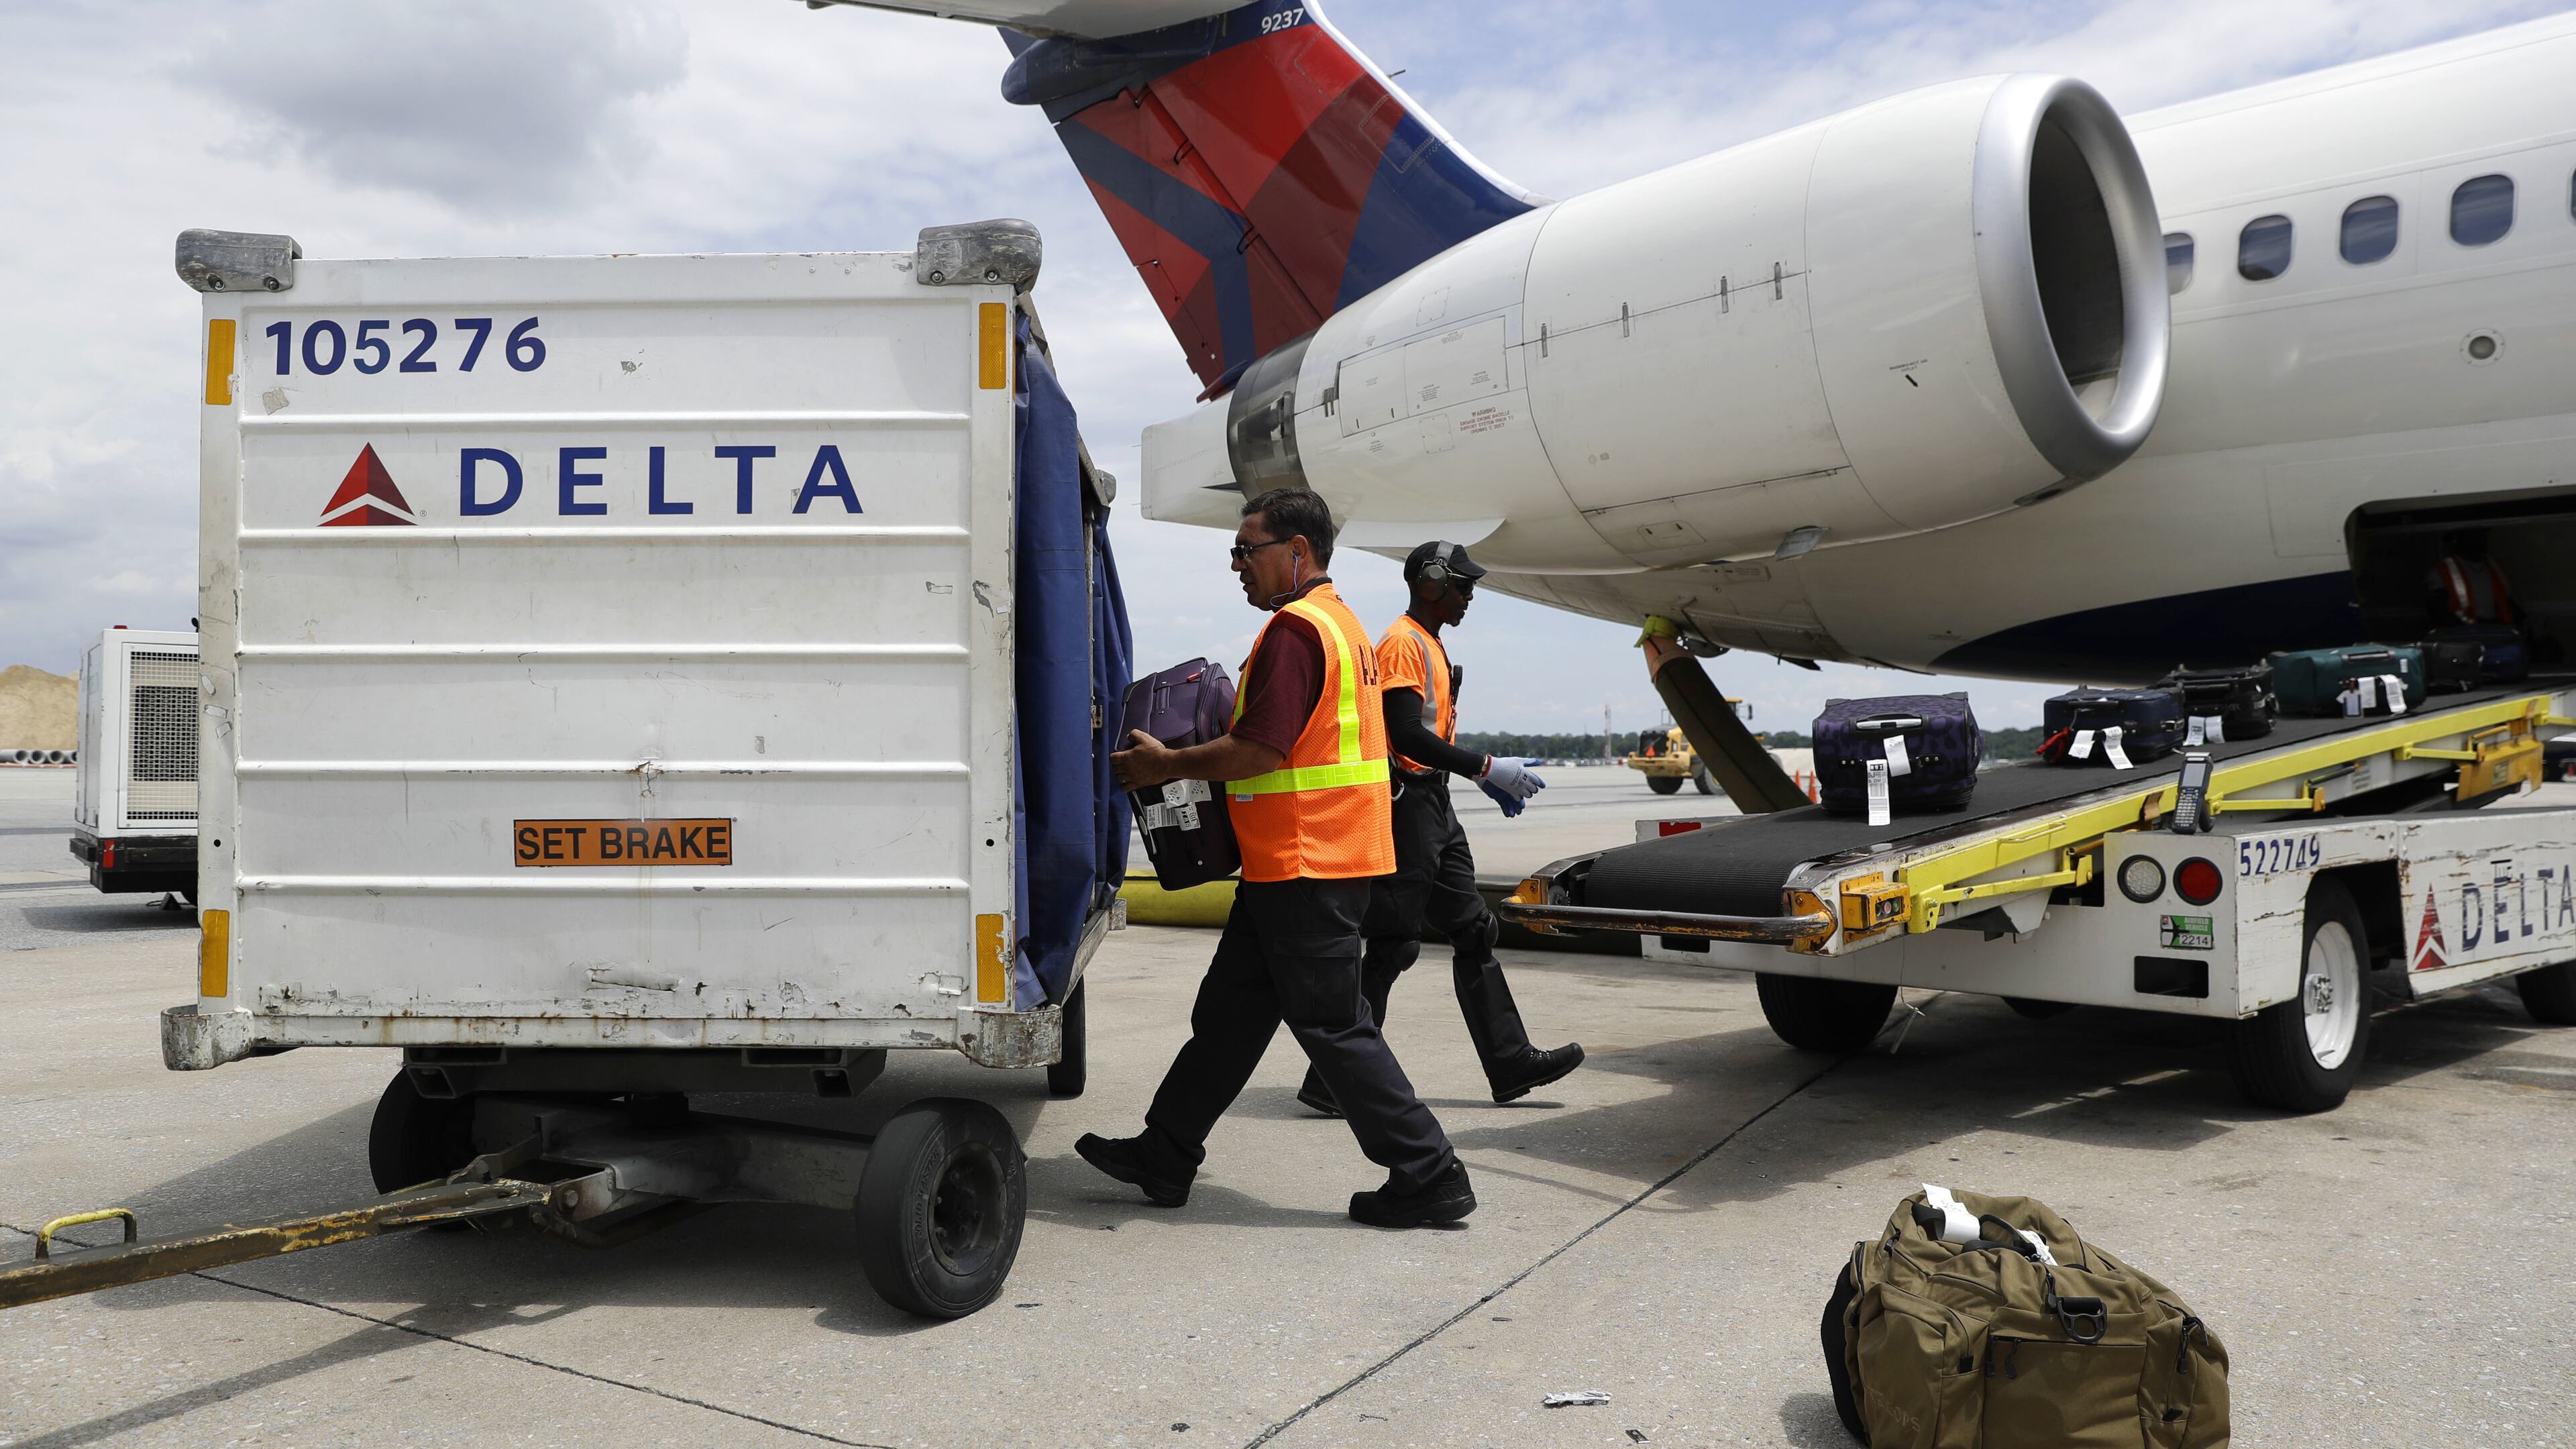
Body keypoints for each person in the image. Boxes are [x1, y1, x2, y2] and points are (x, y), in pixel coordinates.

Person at [1081, 488, 1474, 1229]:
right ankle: (1165, 1154)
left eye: (1247, 550)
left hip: (1309, 864)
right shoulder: (1343, 626)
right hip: (1294, 865)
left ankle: (1430, 1171)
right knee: (1228, 1016)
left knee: (1332, 1025)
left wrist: (1165, 765)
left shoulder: (1298, 632)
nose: (1237, 565)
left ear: (1296, 552)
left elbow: (1263, 749)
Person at [1296, 540, 1583, 1117]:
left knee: (1475, 931)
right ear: (1430, 582)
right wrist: (1484, 765)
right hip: (1409, 809)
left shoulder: (1428, 643)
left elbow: (1429, 735)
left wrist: (1479, 779)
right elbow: (1403, 734)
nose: (1470, 596)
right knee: (1392, 943)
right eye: (1463, 585)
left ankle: (1509, 1063)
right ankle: (1331, 1081)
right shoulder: (1404, 643)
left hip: (1434, 805)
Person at [2425, 530, 2518, 627]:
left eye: (2481, 536)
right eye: (2471, 536)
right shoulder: (2443, 570)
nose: (2479, 540)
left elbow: (2506, 599)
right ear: (2458, 540)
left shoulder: (2494, 566)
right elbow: (2437, 609)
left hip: (2495, 629)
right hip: (2461, 633)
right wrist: (2463, 628)